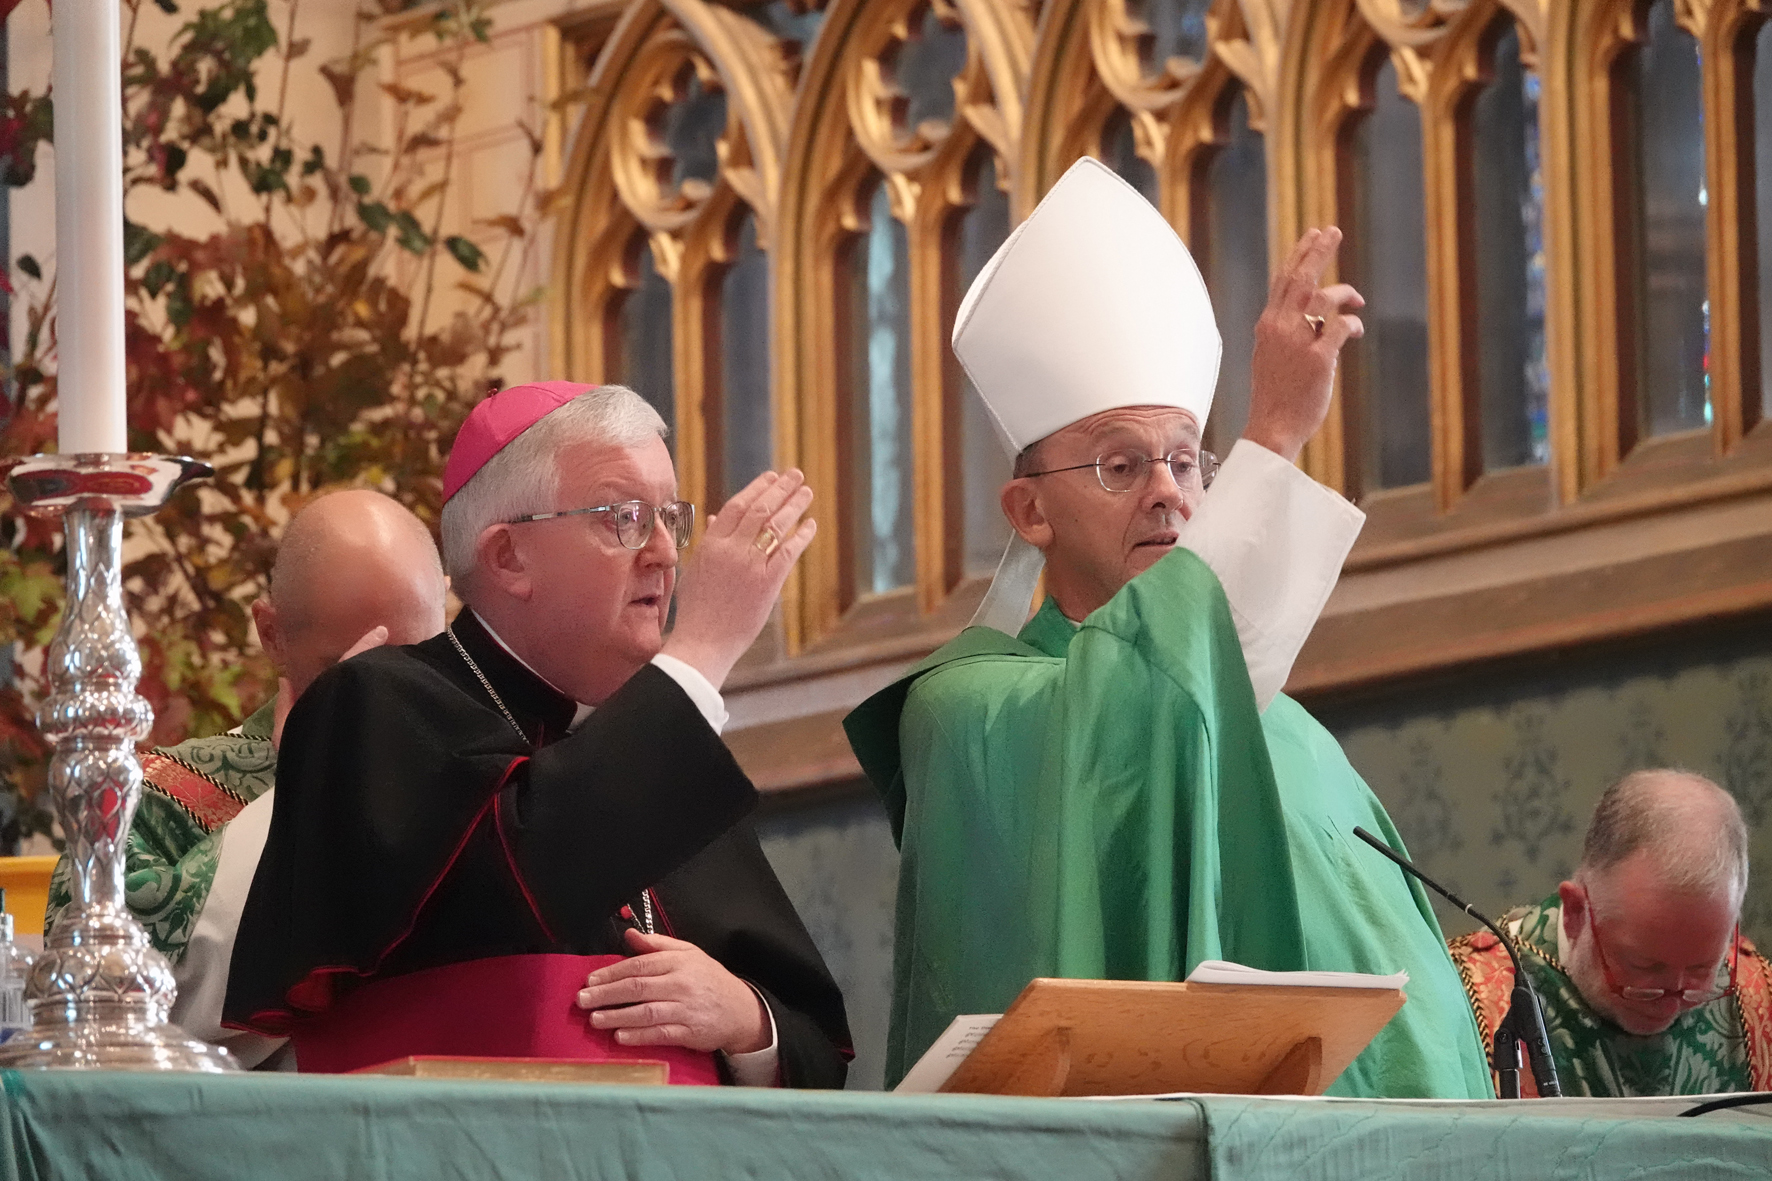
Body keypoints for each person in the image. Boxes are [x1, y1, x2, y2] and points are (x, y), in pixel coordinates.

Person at [844, 158, 1492, 1097]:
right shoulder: (968, 709)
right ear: (1028, 512)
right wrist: (1270, 436)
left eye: (1189, 463)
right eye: (1119, 464)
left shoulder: (1289, 727)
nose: (1167, 493)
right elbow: (1136, 722)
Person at [223, 382, 852, 1088]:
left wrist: (745, 1019)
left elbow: (820, 1055)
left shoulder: (670, 757)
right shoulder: (373, 702)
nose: (668, 554)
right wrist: (701, 648)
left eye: (671, 518)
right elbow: (525, 878)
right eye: (624, 516)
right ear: (507, 557)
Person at [44, 489, 447, 1067]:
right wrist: (307, 795)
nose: (381, 704)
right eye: (348, 674)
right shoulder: (149, 802)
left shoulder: (491, 783)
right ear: (272, 635)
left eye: (414, 665)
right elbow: (98, 1018)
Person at [1448, 769, 1772, 1095]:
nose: (1671, 1002)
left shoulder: (1759, 999)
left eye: (1702, 968)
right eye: (1645, 966)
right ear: (1576, 911)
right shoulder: (1461, 998)